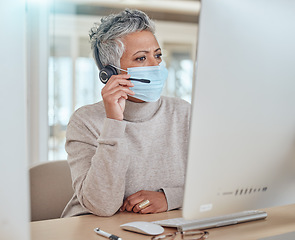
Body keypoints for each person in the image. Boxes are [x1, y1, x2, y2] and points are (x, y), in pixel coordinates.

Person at [61, 9, 191, 218]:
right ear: (110, 72)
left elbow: (213, 182)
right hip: (94, 229)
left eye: (157, 55)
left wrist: (170, 198)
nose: (156, 66)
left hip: (162, 225)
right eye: (141, 59)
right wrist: (113, 122)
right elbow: (102, 205)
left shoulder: (183, 112)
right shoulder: (84, 121)